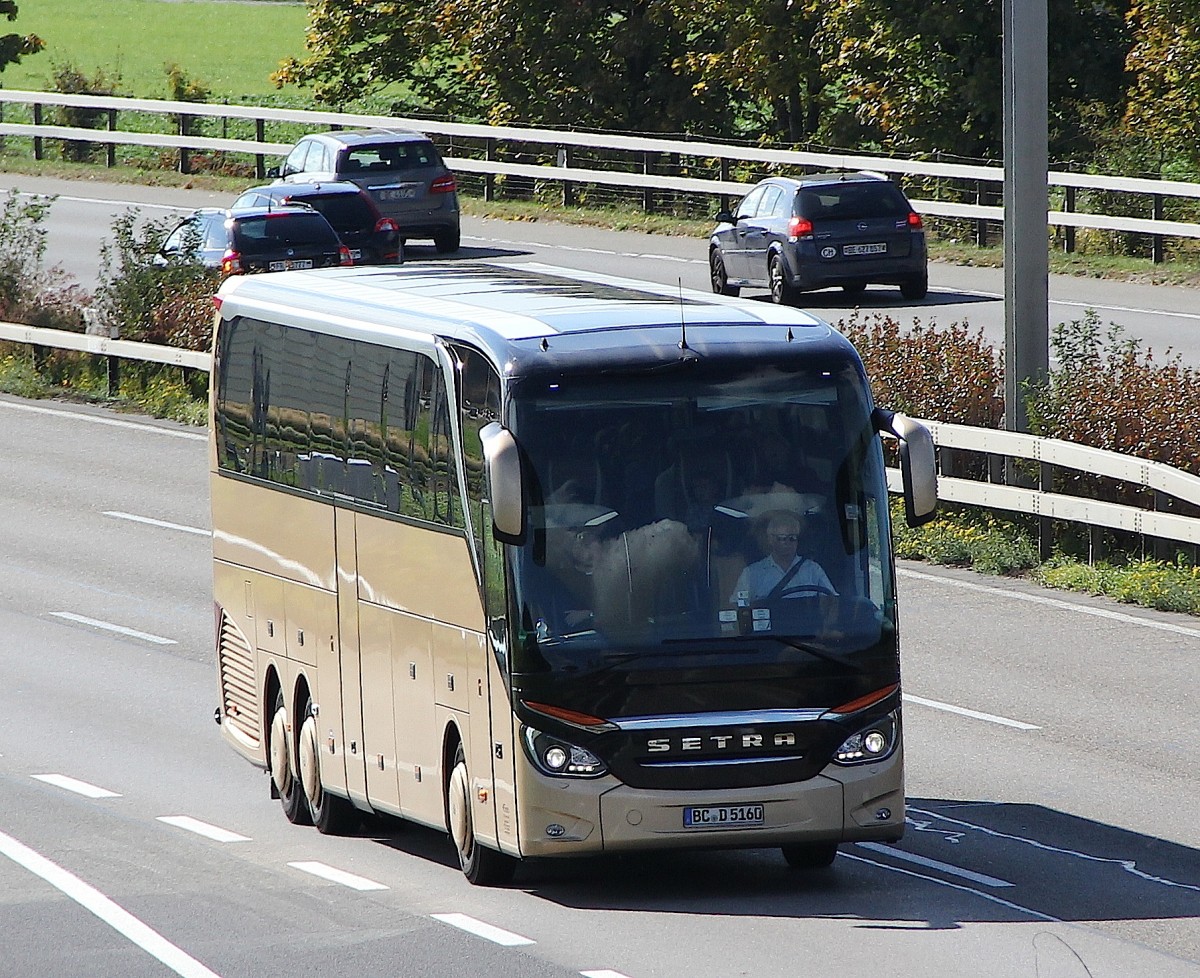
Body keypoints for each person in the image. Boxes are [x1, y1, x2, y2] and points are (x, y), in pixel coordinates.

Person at [730, 511, 834, 605]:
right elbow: (737, 606)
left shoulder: (813, 570)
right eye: (781, 538)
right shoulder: (752, 573)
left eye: (792, 538)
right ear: (770, 539)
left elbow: (832, 602)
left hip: (807, 626)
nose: (787, 543)